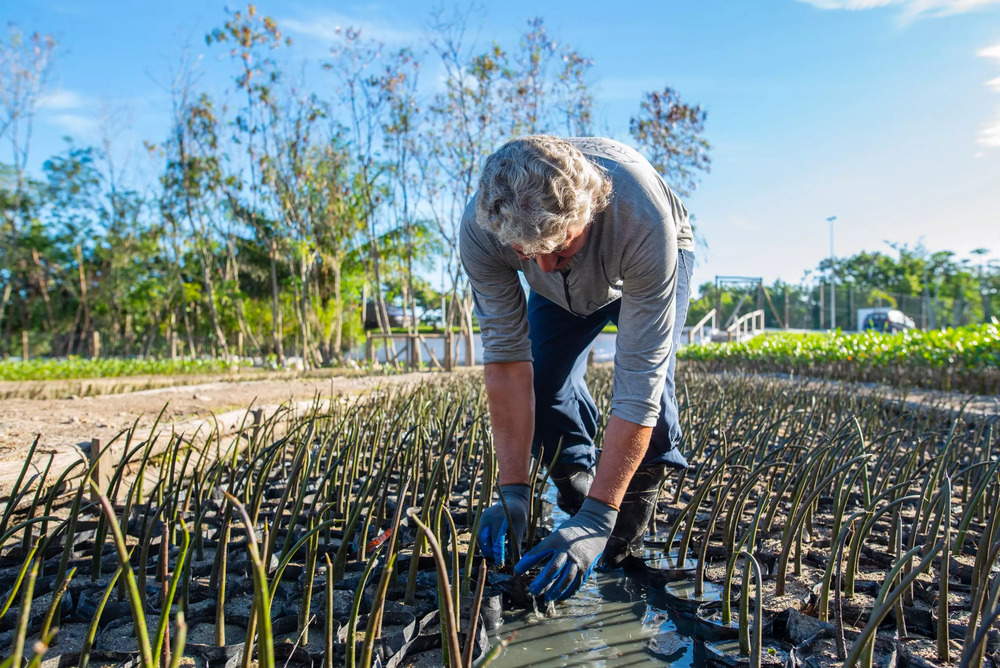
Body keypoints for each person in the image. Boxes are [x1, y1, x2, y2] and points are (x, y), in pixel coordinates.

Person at [461, 135, 696, 603]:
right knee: (545, 384)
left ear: (589, 212)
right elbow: (508, 362)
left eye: (560, 251)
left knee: (660, 410)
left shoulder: (642, 219)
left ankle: (615, 528)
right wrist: (512, 488)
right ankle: (574, 483)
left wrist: (599, 517)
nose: (546, 265)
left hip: (638, 264)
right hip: (559, 282)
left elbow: (637, 386)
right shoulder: (484, 229)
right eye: (529, 257)